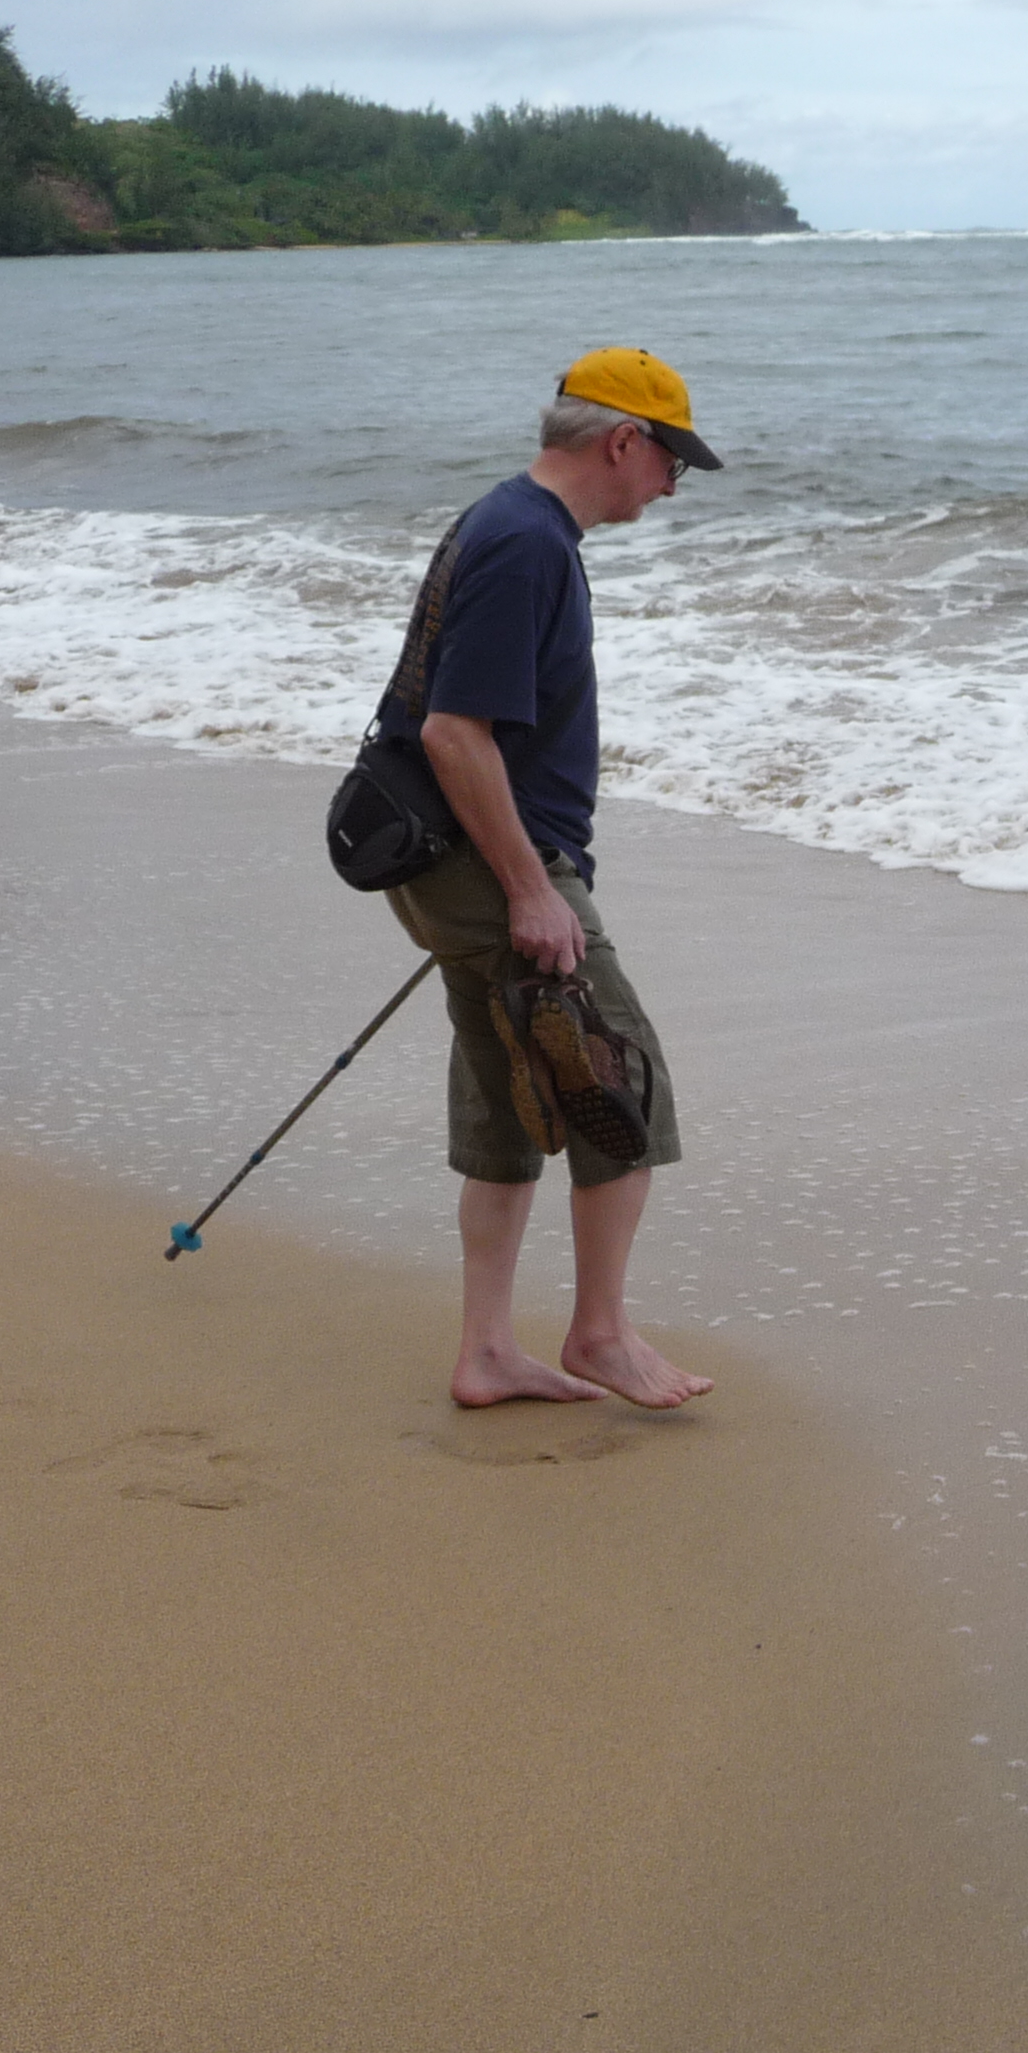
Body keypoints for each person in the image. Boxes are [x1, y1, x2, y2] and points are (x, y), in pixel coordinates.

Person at [371, 347, 721, 1411]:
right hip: (491, 863)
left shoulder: (508, 522)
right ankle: (600, 1335)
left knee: (507, 1099)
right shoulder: (528, 544)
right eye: (671, 462)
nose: (671, 487)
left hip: (449, 858)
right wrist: (529, 892)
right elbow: (454, 732)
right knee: (621, 1085)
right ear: (623, 441)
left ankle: (486, 1353)